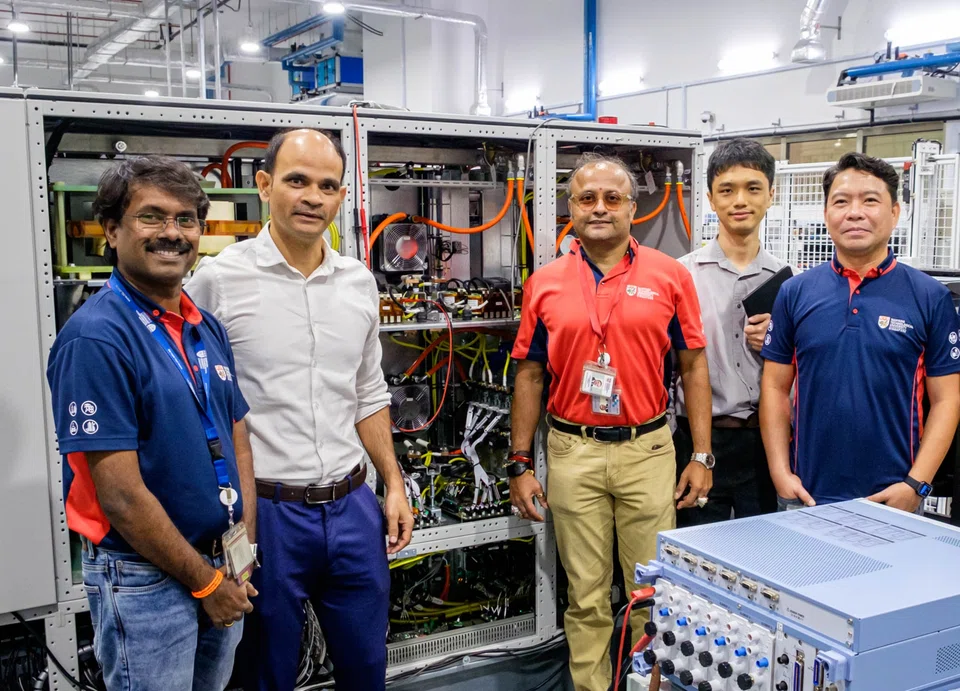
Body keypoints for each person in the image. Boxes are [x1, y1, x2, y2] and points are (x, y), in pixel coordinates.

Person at [186, 128, 414, 691]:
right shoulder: (217, 281)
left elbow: (368, 393)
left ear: (340, 198)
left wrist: (393, 483)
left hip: (353, 506)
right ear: (264, 186)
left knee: (367, 671)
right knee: (267, 674)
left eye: (327, 185)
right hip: (266, 514)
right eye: (296, 180)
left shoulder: (358, 281)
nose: (312, 196)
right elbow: (198, 403)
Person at [46, 156, 257, 691]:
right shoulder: (97, 338)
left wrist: (243, 549)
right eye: (152, 217)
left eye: (186, 219)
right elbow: (119, 495)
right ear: (112, 231)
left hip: (220, 563)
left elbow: (237, 436)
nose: (172, 233)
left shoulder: (203, 326)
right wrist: (208, 584)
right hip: (145, 580)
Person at [508, 153, 714, 691]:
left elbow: (693, 365)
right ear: (570, 209)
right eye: (586, 198)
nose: (599, 208)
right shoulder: (545, 283)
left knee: (654, 591)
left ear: (632, 207)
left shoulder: (669, 275)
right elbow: (529, 376)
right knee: (587, 596)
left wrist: (701, 455)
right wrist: (520, 462)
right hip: (572, 451)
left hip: (648, 451)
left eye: (612, 198)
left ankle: (652, 685)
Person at [761, 152, 960, 512]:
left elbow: (948, 400)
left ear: (895, 213)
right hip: (806, 495)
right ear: (826, 214)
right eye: (841, 201)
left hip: (893, 499)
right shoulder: (796, 292)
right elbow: (774, 387)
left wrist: (916, 484)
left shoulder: (930, 297)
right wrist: (780, 471)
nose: (855, 212)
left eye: (870, 200)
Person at [674, 139, 789, 526]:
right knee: (697, 560)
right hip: (696, 442)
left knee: (765, 560)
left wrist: (782, 344)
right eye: (727, 190)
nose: (740, 200)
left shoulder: (790, 285)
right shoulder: (681, 276)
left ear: (771, 195)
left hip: (767, 443)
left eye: (753, 188)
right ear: (710, 198)